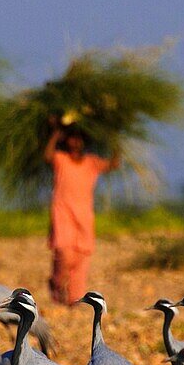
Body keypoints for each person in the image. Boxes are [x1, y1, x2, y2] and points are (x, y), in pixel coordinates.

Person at [43, 116, 119, 305]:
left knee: (81, 258)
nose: (75, 142)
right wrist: (55, 135)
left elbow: (113, 164)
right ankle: (57, 283)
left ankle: (73, 299)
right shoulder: (61, 159)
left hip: (84, 216)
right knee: (64, 253)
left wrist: (115, 139)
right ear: (66, 140)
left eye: (79, 138)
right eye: (72, 138)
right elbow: (47, 156)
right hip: (62, 214)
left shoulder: (92, 162)